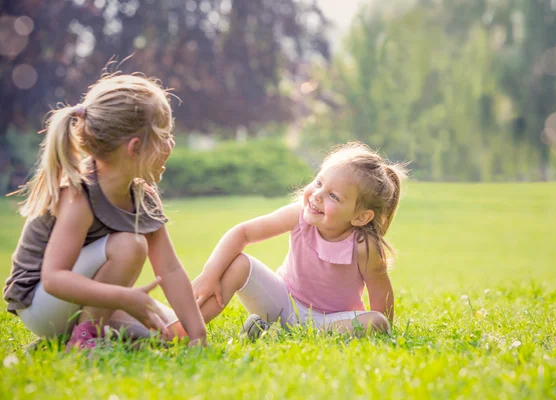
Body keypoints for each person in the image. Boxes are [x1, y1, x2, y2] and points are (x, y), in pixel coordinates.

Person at [3, 73, 206, 350]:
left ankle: (66, 340)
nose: (171, 145)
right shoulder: (80, 196)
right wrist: (122, 298)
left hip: (83, 299)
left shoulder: (142, 196)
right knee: (130, 245)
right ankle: (84, 340)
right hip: (41, 304)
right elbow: (53, 278)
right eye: (165, 136)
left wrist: (198, 336)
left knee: (172, 335)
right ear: (135, 148)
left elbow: (170, 269)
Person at [186, 142, 407, 338]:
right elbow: (242, 233)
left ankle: (275, 333)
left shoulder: (364, 246)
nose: (317, 195)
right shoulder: (298, 216)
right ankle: (186, 328)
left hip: (331, 321)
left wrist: (385, 329)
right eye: (319, 183)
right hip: (282, 303)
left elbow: (380, 292)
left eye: (333, 196)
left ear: (360, 217)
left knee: (376, 322)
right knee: (239, 265)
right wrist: (210, 274)